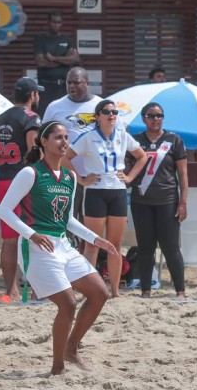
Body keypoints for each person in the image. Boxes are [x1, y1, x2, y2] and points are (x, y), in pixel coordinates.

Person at [0, 120, 117, 375]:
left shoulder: (70, 176)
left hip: (63, 244)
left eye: (66, 138)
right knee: (68, 303)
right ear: (44, 141)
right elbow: (5, 210)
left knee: (99, 293)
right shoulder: (30, 173)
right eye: (59, 138)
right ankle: (57, 367)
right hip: (37, 247)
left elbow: (69, 219)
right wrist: (32, 234)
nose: (65, 143)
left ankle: (71, 349)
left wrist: (95, 238)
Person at [64, 100, 147, 298]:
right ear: (98, 116)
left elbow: (142, 156)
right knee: (92, 244)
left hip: (117, 191)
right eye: (106, 112)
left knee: (115, 245)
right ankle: (89, 290)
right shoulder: (88, 137)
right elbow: (65, 157)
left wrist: (129, 178)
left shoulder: (123, 136)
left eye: (114, 112)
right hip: (96, 192)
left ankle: (116, 291)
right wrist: (82, 180)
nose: (111, 115)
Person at [0, 77, 44, 301]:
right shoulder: (31, 117)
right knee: (36, 235)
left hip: (4, 179)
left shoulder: (1, 117)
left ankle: (11, 291)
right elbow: (33, 149)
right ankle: (38, 290)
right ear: (32, 95)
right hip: (24, 181)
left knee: (9, 238)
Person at [128, 102, 188, 298]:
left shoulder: (174, 139)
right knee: (145, 247)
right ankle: (146, 290)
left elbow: (183, 175)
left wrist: (183, 202)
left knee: (171, 247)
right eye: (151, 115)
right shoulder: (134, 141)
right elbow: (127, 168)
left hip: (168, 201)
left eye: (159, 115)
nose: (156, 119)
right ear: (144, 118)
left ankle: (180, 290)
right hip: (141, 202)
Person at [44, 67, 104, 225]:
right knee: (65, 223)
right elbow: (43, 140)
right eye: (69, 83)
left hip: (95, 177)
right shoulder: (54, 107)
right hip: (64, 176)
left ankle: (87, 251)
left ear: (87, 83)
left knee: (90, 227)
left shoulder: (101, 106)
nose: (72, 86)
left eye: (76, 83)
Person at [34, 10, 81, 115]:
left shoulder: (67, 40)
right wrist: (65, 60)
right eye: (54, 22)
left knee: (64, 114)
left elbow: (75, 59)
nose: (56, 25)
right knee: (44, 115)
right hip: (45, 85)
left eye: (59, 22)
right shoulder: (41, 39)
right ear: (48, 23)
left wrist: (54, 58)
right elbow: (41, 62)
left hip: (63, 86)